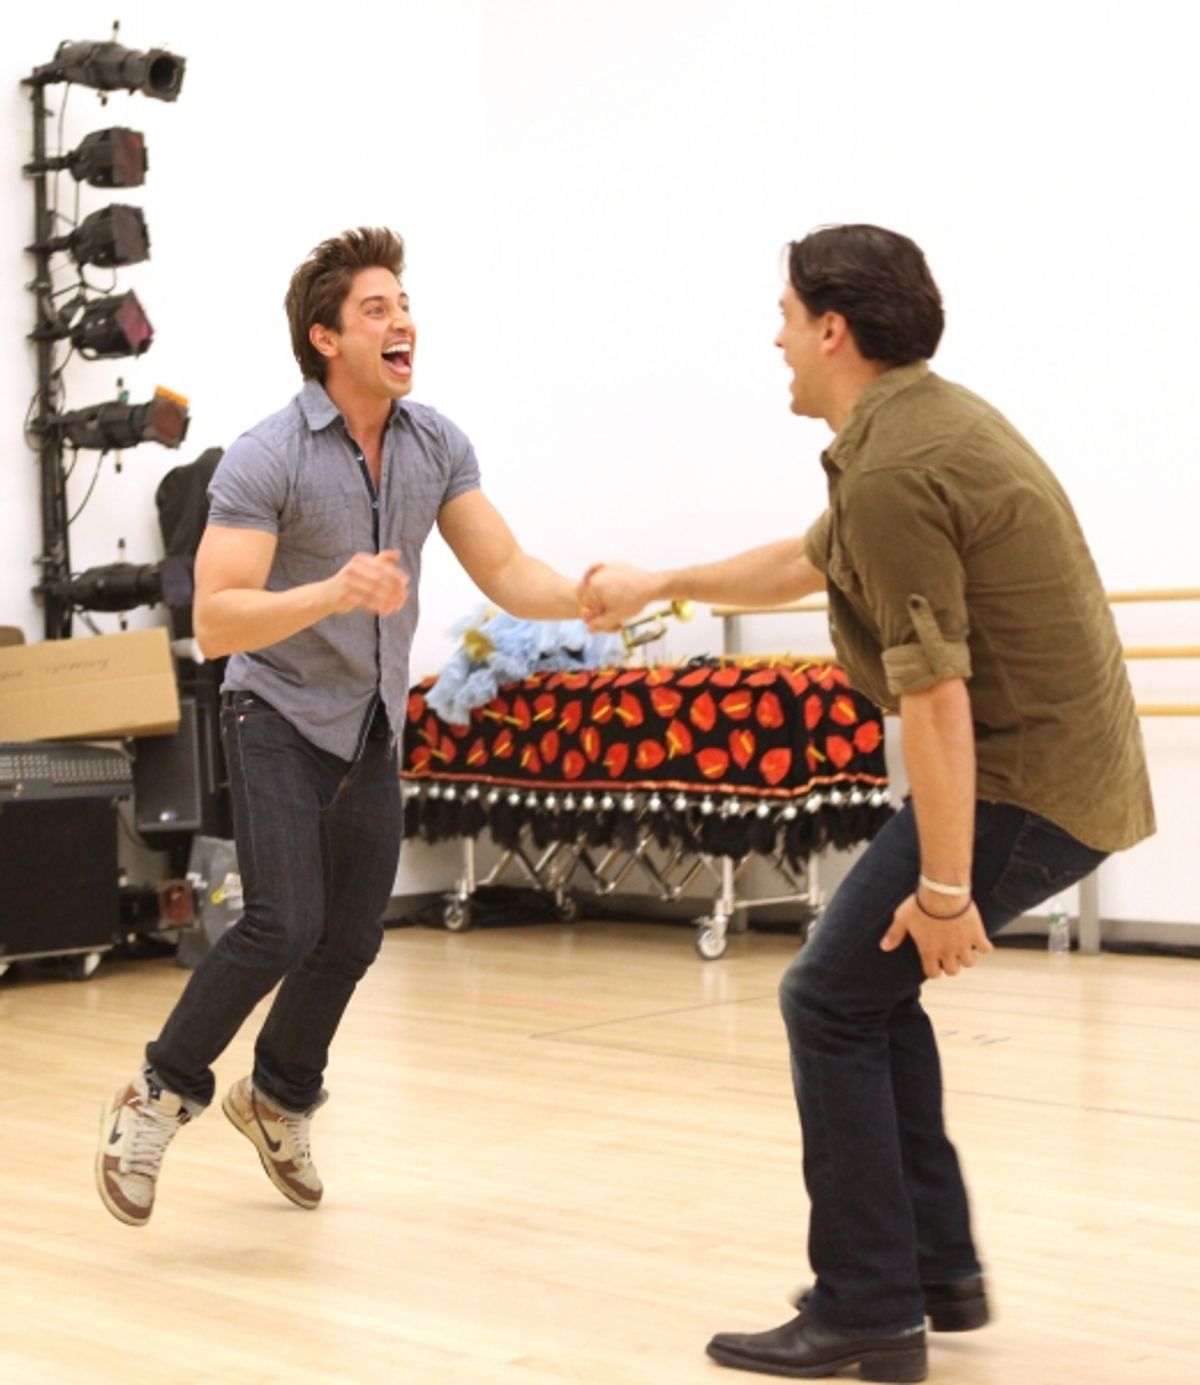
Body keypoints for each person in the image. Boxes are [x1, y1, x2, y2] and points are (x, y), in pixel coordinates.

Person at [580, 224, 1154, 1381]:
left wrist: (947, 889)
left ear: (833, 328)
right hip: (1053, 771)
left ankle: (871, 1304)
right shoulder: (917, 423)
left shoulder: (896, 465)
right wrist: (664, 581)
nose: (777, 337)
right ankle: (930, 1267)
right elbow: (807, 559)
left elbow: (934, 698)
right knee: (868, 997)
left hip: (1024, 781)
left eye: (786, 315)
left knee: (830, 996)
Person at [96, 226, 584, 1227]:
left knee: (352, 933)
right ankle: (158, 1092)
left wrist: (589, 594)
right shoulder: (267, 455)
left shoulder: (435, 442)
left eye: (403, 302)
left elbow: (506, 568)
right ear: (326, 338)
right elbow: (216, 619)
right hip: (271, 707)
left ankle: (277, 1092)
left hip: (368, 721)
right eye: (376, 306)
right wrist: (331, 592)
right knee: (284, 918)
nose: (402, 318)